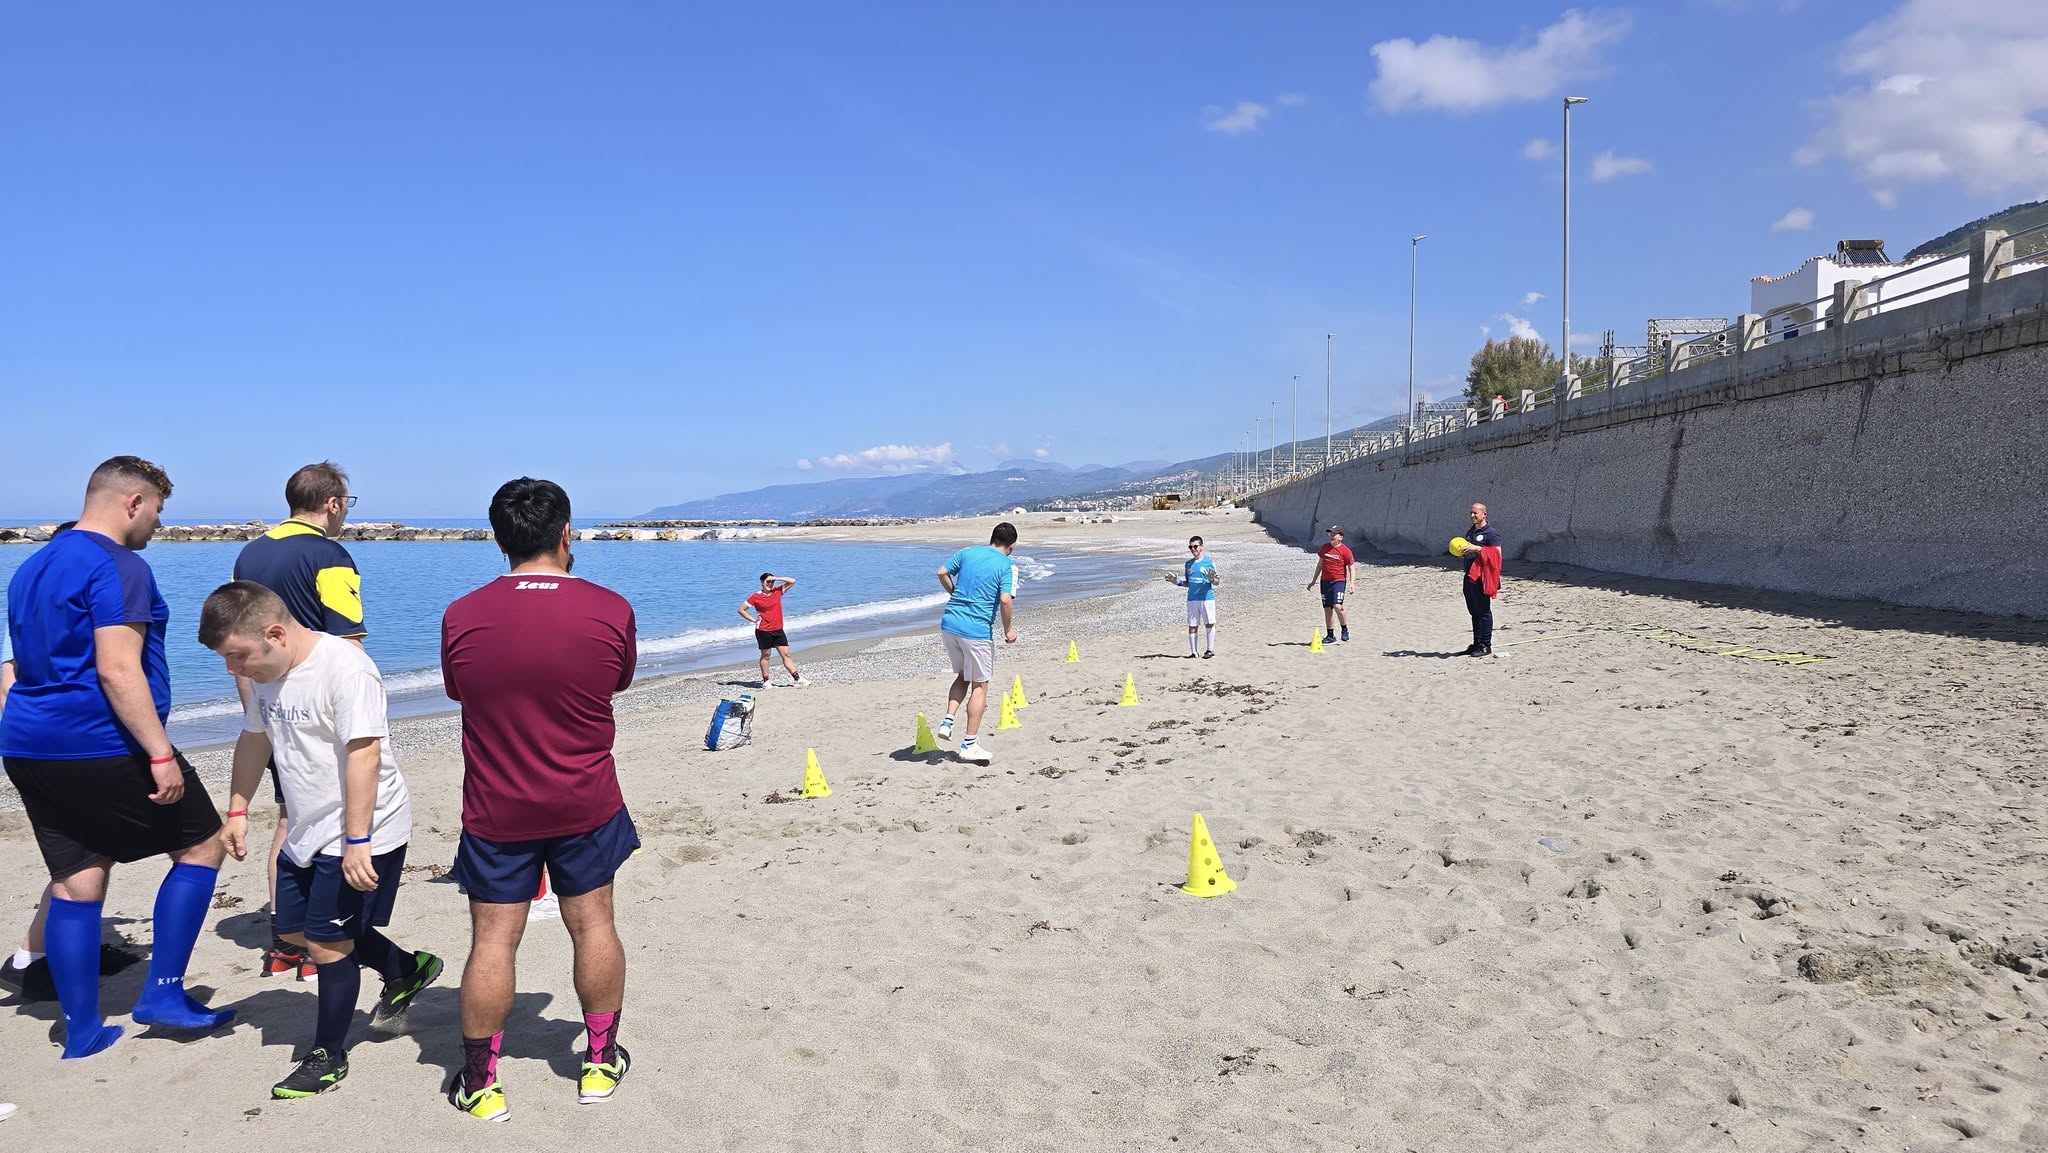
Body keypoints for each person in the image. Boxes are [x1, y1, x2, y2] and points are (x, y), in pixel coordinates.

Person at [0, 456, 235, 1059]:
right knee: (202, 844)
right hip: (103, 742)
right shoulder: (119, 565)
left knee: (77, 881)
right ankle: (163, 992)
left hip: (28, 744)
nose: (158, 522)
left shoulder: (31, 567)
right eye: (158, 508)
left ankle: (83, 1030)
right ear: (133, 501)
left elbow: (18, 665)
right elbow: (117, 667)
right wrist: (159, 752)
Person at [441, 478, 639, 1120]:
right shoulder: (610, 608)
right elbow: (617, 680)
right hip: (583, 799)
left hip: (498, 805)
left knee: (493, 940)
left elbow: (458, 691)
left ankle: (481, 1082)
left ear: (498, 540)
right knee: (595, 924)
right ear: (565, 533)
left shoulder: (462, 614)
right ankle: (600, 1064)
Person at [202, 581, 441, 1098]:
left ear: (275, 633)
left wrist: (358, 839)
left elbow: (365, 755)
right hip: (307, 827)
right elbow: (255, 737)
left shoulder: (346, 668)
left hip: (362, 825)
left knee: (329, 946)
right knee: (291, 933)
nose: (232, 671)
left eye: (236, 657)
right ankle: (406, 969)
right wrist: (238, 809)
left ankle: (328, 1056)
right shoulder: (265, 672)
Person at [233, 461, 369, 982]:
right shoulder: (330, 555)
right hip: (318, 705)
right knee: (321, 820)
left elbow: (238, 640)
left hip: (266, 701)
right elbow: (348, 640)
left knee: (290, 818)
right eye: (346, 505)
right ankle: (316, 941)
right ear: (332, 503)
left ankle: (282, 939)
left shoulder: (251, 551)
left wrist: (254, 708)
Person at [0, 524, 142, 1003]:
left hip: (37, 747)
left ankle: (36, 957)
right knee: (81, 863)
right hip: (66, 748)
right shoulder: (58, 606)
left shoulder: (33, 599)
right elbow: (9, 680)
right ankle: (29, 957)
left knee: (83, 858)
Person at [934, 522, 1019, 764]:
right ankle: (969, 744)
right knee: (980, 685)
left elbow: (941, 572)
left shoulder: (968, 552)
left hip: (949, 624)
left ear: (992, 539)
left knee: (963, 675)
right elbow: (1005, 600)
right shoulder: (1008, 566)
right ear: (1011, 547)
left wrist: (954, 593)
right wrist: (1008, 630)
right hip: (976, 629)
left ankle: (948, 721)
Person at [737, 573, 811, 688]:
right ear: (762, 583)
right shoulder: (755, 596)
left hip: (778, 630)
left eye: (772, 582)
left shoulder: (778, 591)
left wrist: (776, 578)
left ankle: (797, 678)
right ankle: (766, 681)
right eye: (767, 582)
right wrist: (753, 620)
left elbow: (792, 580)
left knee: (786, 655)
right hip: (763, 630)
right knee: (766, 655)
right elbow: (741, 610)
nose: (770, 584)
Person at [1461, 503, 1504, 657]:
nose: (1472, 516)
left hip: (1483, 577)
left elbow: (1497, 554)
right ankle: (1476, 643)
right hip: (1470, 576)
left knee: (1483, 611)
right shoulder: (1470, 532)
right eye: (1471, 513)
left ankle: (1486, 645)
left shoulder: (1490, 533)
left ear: (1484, 514)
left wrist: (1477, 548)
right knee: (1473, 611)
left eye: (1476, 513)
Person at [1169, 536, 1220, 658]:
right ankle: (1193, 652)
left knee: (1209, 624)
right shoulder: (1188, 564)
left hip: (1207, 598)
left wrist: (1212, 579)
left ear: (1202, 547)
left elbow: (1217, 582)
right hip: (1192, 599)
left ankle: (1210, 650)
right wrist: (1176, 582)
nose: (1193, 549)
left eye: (1195, 546)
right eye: (1190, 547)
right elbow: (1188, 582)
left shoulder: (1209, 563)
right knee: (1192, 625)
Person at [1306, 525, 1355, 643]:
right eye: (1330, 534)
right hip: (1325, 582)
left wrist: (1352, 583)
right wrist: (1313, 581)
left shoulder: (1346, 551)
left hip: (1338, 581)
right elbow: (1320, 565)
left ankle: (1344, 629)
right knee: (1327, 608)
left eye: (1334, 534)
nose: (1331, 536)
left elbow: (1351, 568)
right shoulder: (1324, 548)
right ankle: (1330, 635)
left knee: (1338, 606)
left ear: (1341, 537)